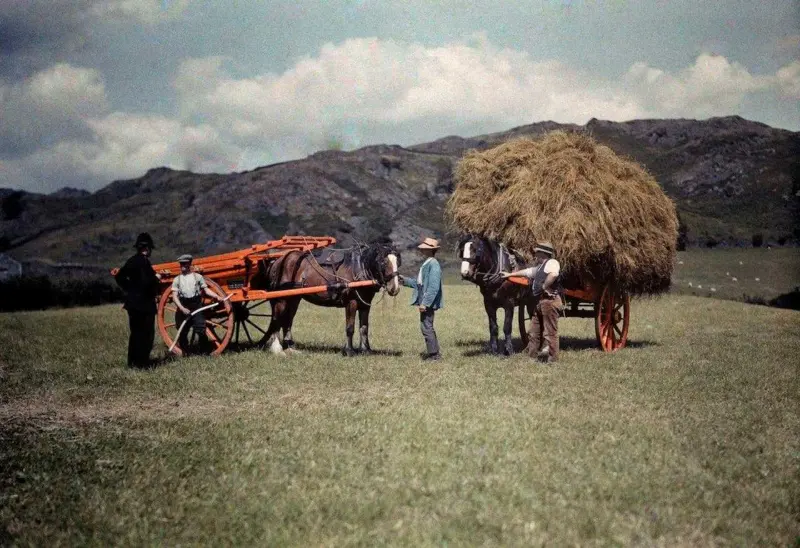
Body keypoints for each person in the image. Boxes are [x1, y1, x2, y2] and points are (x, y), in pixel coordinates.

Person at [502, 241, 562, 363]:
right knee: (534, 332)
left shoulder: (552, 263)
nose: (535, 255)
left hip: (549, 302)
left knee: (550, 333)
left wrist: (544, 286)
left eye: (537, 253)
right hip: (539, 303)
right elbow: (527, 272)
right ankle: (532, 357)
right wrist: (509, 274)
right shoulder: (540, 267)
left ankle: (552, 360)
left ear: (543, 253)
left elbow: (554, 274)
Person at [115, 232, 160, 367]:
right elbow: (146, 282)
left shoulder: (132, 260)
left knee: (135, 334)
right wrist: (156, 278)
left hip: (133, 304)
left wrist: (130, 289)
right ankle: (142, 363)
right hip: (144, 305)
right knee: (146, 334)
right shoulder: (144, 262)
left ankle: (133, 363)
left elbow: (119, 276)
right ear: (147, 248)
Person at [399, 237, 444, 360]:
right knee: (426, 326)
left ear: (430, 250)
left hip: (427, 302)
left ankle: (434, 355)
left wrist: (425, 303)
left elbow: (433, 287)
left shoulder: (433, 264)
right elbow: (419, 284)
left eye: (425, 248)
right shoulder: (428, 263)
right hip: (425, 301)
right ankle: (434, 353)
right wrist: (404, 281)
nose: (422, 250)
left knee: (426, 327)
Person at [171, 254, 223, 354]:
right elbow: (174, 296)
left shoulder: (198, 277)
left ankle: (204, 351)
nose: (182, 266)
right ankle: (185, 352)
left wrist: (217, 296)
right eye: (181, 264)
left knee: (200, 328)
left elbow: (206, 290)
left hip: (196, 306)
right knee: (182, 330)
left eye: (185, 263)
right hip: (183, 305)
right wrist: (182, 308)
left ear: (189, 264)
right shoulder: (177, 279)